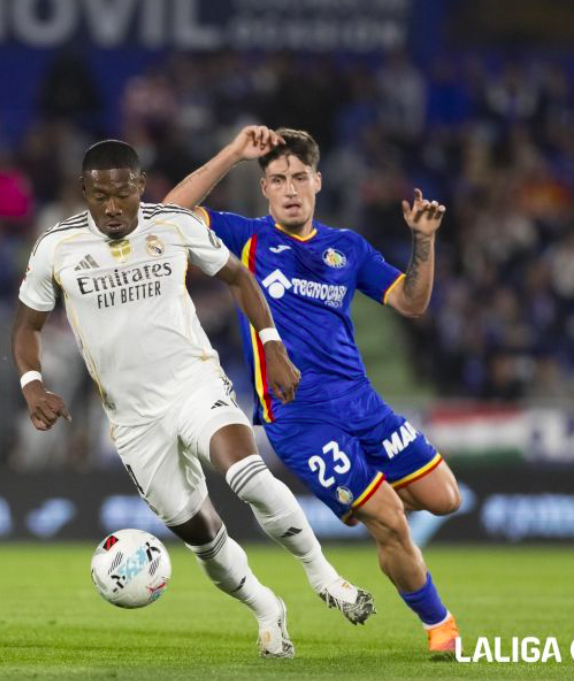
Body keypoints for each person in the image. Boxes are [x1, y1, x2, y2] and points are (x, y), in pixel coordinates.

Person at [12, 140, 376, 660]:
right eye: (99, 197)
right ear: (83, 192)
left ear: (141, 186)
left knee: (246, 472)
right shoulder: (57, 247)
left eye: (122, 194)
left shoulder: (173, 224)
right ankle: (266, 607)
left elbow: (238, 276)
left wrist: (272, 345)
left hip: (193, 383)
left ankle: (324, 576)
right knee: (203, 536)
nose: (112, 207)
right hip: (133, 419)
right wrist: (32, 383)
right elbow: (27, 326)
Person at [164, 125, 462, 654]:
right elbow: (169, 214)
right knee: (391, 521)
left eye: (300, 177)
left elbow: (411, 303)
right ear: (264, 189)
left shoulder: (347, 247)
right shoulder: (245, 236)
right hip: (299, 418)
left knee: (444, 498)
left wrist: (424, 239)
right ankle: (440, 626)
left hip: (363, 403)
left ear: (318, 182)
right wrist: (233, 153)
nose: (290, 189)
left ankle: (369, 502)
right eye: (278, 179)